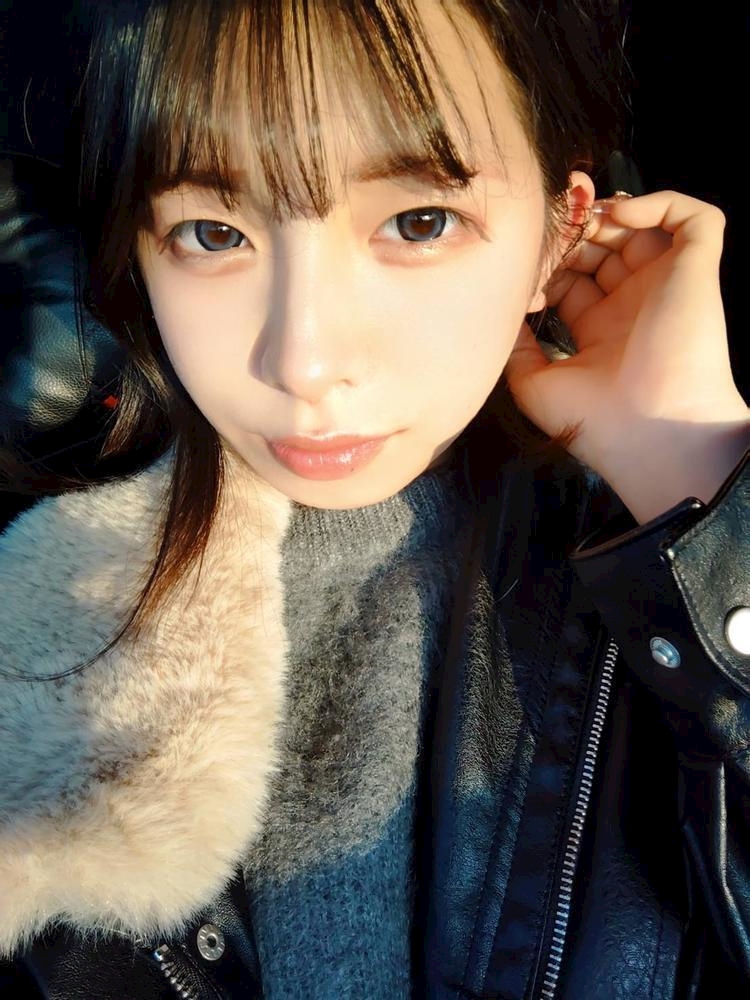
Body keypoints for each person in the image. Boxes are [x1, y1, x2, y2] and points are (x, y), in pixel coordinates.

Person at [0, 0, 748, 997]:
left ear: (559, 234)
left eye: (417, 222)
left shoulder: (668, 572)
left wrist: (690, 478)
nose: (302, 362)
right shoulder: (41, 633)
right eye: (213, 232)